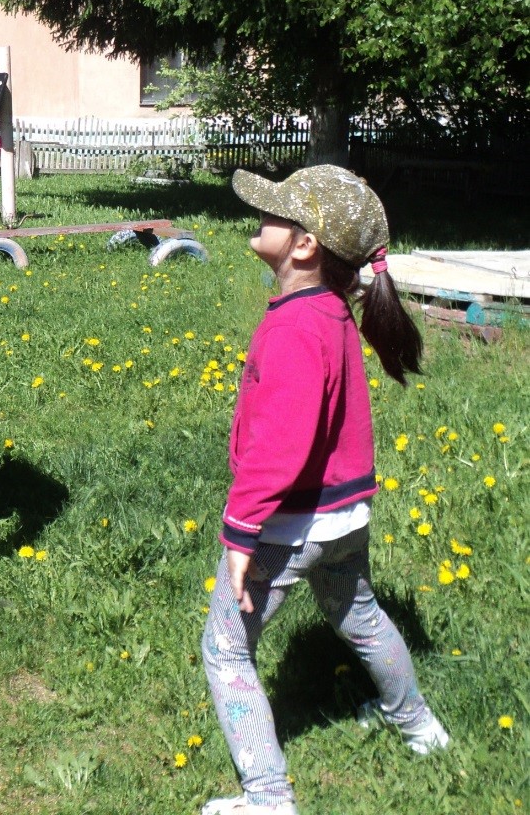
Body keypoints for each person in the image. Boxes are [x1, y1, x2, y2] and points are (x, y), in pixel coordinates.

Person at [200, 166, 450, 815]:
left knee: (225, 650)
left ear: (304, 245)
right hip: (344, 519)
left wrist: (239, 533)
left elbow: (279, 447)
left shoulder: (290, 328)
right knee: (359, 616)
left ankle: (267, 798)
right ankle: (419, 726)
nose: (262, 216)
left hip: (287, 529)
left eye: (276, 211)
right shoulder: (331, 311)